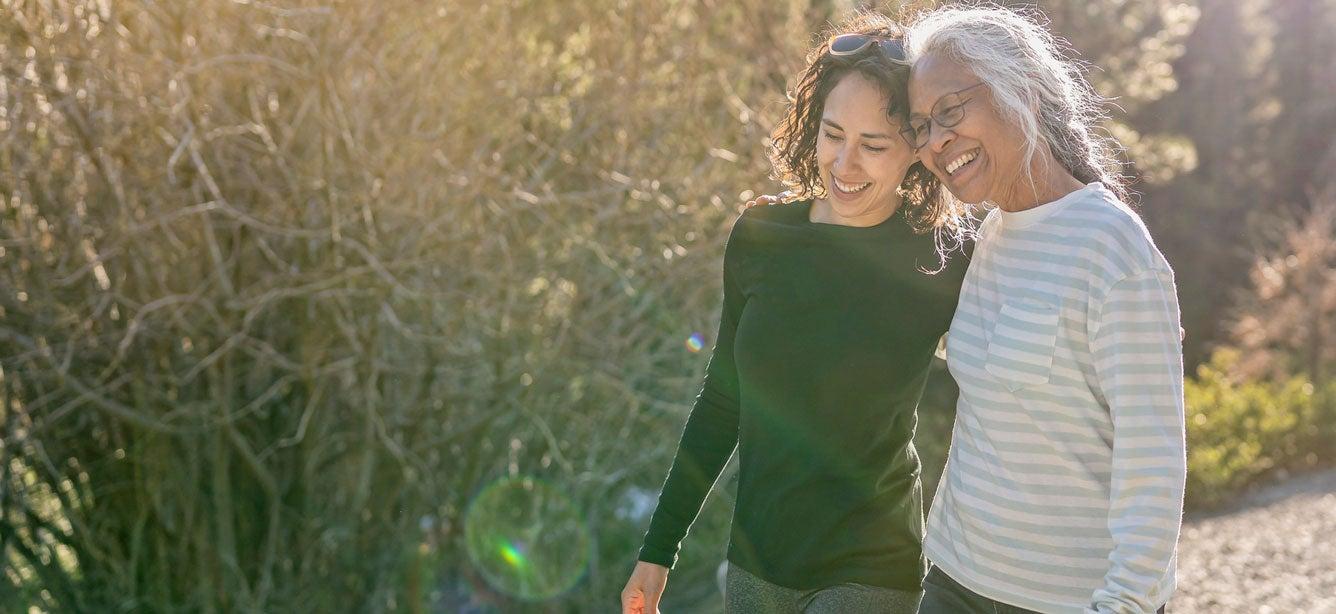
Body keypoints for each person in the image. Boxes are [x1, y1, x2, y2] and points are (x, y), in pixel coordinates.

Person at [619, 12, 970, 614]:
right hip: (759, 564)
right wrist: (658, 553)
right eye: (833, 134)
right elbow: (722, 402)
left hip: (873, 565)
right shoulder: (761, 237)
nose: (845, 164)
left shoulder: (941, 259)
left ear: (916, 147)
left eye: (873, 145)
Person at [900, 6, 1186, 613]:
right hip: (953, 578)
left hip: (1068, 600)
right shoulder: (991, 237)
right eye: (922, 125)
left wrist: (1126, 604)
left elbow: (1153, 464)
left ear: (1022, 91)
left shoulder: (1114, 251)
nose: (935, 141)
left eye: (950, 111)